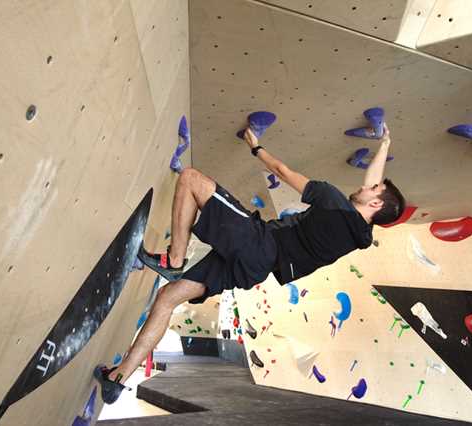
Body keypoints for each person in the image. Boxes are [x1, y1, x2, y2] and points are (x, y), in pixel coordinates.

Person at [94, 123, 405, 403]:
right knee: (168, 297)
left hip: (258, 244)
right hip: (256, 269)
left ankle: (174, 259)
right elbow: (376, 187)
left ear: (376, 203)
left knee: (190, 179)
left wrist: (255, 146)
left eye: (373, 189)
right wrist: (385, 144)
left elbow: (282, 171)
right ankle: (117, 380)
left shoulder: (333, 199)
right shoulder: (359, 237)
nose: (366, 185)